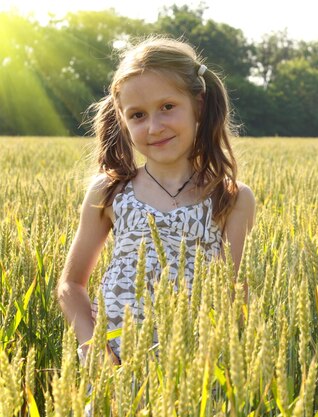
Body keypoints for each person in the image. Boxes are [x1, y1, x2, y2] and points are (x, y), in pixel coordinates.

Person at [57, 36, 255, 364]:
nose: (154, 127)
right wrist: (93, 348)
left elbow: (236, 297)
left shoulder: (230, 198)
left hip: (193, 375)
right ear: (122, 120)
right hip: (113, 371)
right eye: (137, 115)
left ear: (199, 105)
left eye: (167, 107)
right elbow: (71, 284)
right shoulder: (110, 192)